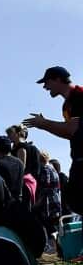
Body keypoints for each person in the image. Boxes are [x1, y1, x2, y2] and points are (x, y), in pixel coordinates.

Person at [25, 66, 83, 211]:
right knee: (74, 198)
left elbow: (72, 129)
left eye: (47, 82)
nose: (45, 87)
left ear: (58, 79)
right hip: (78, 157)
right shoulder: (66, 105)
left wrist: (43, 124)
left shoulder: (79, 96)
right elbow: (70, 133)